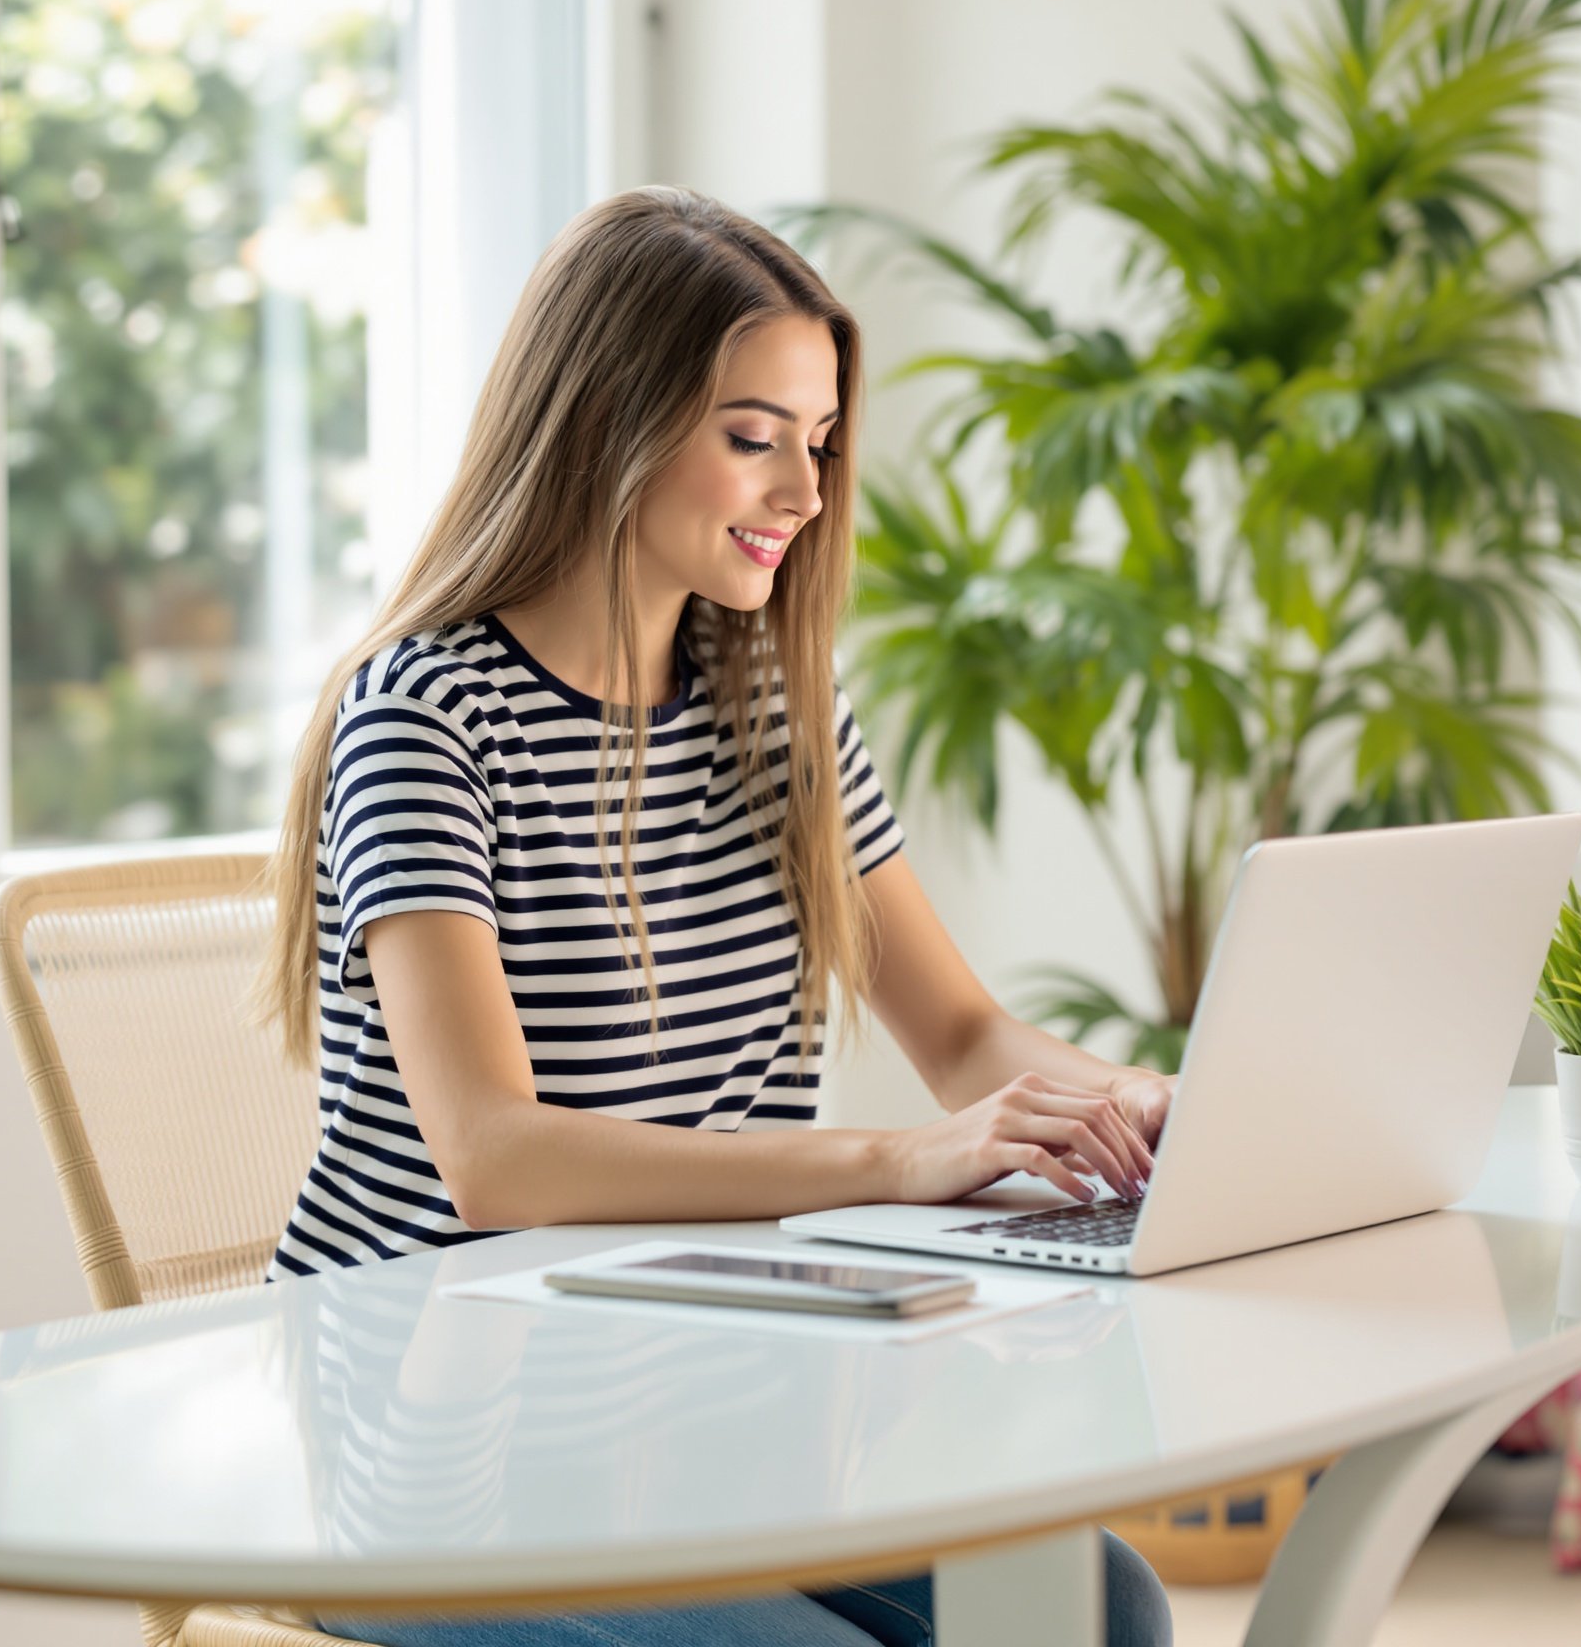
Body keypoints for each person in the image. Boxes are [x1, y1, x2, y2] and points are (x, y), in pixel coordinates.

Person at [258, 186, 1176, 1646]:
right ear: (604, 421)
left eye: (815, 443)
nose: (805, 496)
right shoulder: (425, 719)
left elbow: (960, 1032)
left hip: (695, 1420)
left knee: (1101, 1605)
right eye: (753, 439)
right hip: (444, 1479)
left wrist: (1143, 1105)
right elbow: (498, 1164)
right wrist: (897, 1162)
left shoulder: (772, 706)